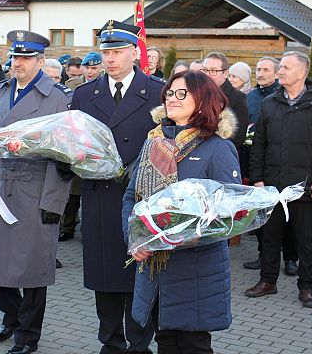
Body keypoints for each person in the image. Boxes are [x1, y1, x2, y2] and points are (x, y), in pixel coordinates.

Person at [0, 30, 73, 354]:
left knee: (33, 270)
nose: (19, 64)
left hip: (35, 190)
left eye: (26, 58)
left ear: (41, 61)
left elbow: (64, 154)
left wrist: (54, 201)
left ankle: (28, 335)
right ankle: (11, 316)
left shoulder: (58, 97)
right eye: (15, 57)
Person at [122, 70, 239, 354]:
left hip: (196, 269)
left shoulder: (217, 148)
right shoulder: (153, 144)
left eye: (182, 93)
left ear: (203, 100)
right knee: (165, 341)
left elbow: (231, 211)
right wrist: (135, 238)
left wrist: (176, 234)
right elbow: (130, 196)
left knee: (193, 345)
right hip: (155, 266)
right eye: (170, 93)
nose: (172, 98)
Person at [71, 20, 163, 354]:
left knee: (141, 275)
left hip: (140, 200)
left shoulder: (156, 91)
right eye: (106, 52)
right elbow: (72, 145)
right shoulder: (84, 94)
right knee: (106, 279)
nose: (110, 59)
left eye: (118, 52)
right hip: (99, 198)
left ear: (134, 52)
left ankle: (140, 344)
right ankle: (110, 343)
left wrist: (136, 173)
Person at [245, 51, 312, 309]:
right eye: (281, 66)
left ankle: (307, 287)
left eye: (286, 67)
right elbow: (259, 145)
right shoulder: (270, 104)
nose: (280, 71)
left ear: (301, 72)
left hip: (305, 189)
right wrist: (258, 180)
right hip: (273, 188)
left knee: (306, 241)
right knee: (270, 237)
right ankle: (267, 281)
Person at [242, 56, 298, 274]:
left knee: (287, 214)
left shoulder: (282, 97)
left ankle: (291, 258)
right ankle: (263, 254)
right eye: (258, 69)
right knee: (261, 214)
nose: (261, 73)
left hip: (281, 164)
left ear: (276, 74)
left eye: (266, 70)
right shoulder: (252, 97)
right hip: (256, 162)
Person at [60, 52, 104, 241]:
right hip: (76, 144)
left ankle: (90, 229)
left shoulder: (104, 86)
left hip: (96, 145)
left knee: (92, 193)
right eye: (88, 67)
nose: (91, 71)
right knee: (72, 192)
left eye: (94, 68)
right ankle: (67, 227)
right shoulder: (71, 86)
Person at [202, 52, 248, 151]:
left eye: (213, 71)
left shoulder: (237, 98)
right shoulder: (197, 95)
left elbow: (238, 137)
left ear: (225, 74)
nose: (208, 75)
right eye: (205, 70)